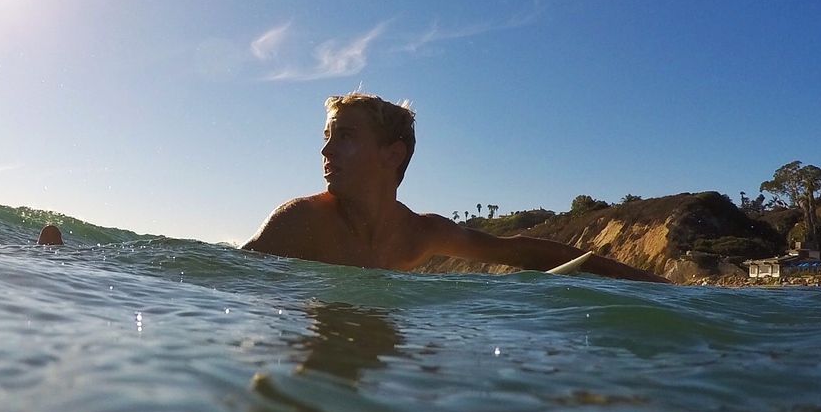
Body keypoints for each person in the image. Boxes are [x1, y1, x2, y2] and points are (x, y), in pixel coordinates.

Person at [243, 93, 666, 281]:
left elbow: (517, 251)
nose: (326, 150)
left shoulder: (419, 233)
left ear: (392, 155)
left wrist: (630, 276)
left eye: (346, 136)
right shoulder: (300, 220)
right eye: (327, 136)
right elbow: (232, 278)